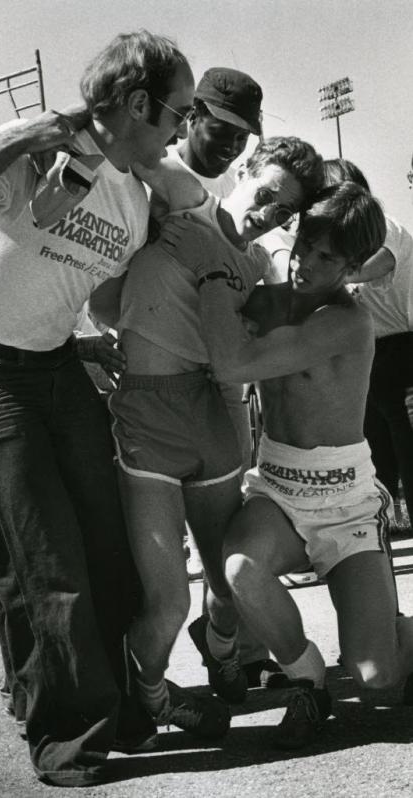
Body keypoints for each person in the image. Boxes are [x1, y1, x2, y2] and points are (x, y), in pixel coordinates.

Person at [0, 30, 195, 788]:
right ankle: (70, 739)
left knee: (108, 549)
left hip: (57, 367)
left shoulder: (136, 199)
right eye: (180, 113)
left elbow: (97, 300)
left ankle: (124, 711)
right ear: (139, 102)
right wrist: (14, 134)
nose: (183, 130)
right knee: (46, 565)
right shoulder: (31, 153)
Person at [184, 180, 413, 749]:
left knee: (377, 679)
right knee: (240, 570)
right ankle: (307, 683)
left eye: (325, 256)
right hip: (279, 494)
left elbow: (233, 363)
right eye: (304, 244)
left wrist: (213, 273)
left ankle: (399, 633)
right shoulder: (270, 296)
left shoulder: (347, 321)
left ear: (354, 266)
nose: (305, 262)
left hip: (347, 507)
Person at [105, 135, 323, 722]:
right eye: (268, 193)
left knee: (226, 585)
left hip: (210, 414)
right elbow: (123, 138)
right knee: (169, 601)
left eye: (285, 211)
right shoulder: (187, 199)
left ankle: (222, 651)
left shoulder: (258, 265)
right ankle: (151, 701)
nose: (270, 213)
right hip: (147, 416)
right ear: (246, 168)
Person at [164, 66, 284, 684]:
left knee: (223, 538)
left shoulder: (231, 197)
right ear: (190, 114)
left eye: (244, 135)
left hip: (222, 385)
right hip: (151, 384)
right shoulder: (153, 175)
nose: (233, 144)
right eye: (222, 127)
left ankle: (233, 645)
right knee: (157, 557)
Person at [323, 159, 413, 533]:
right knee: (375, 454)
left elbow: (373, 266)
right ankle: (373, 536)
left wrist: (320, 272)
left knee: (409, 445)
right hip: (368, 357)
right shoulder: (342, 246)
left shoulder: (385, 227)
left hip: (404, 350)